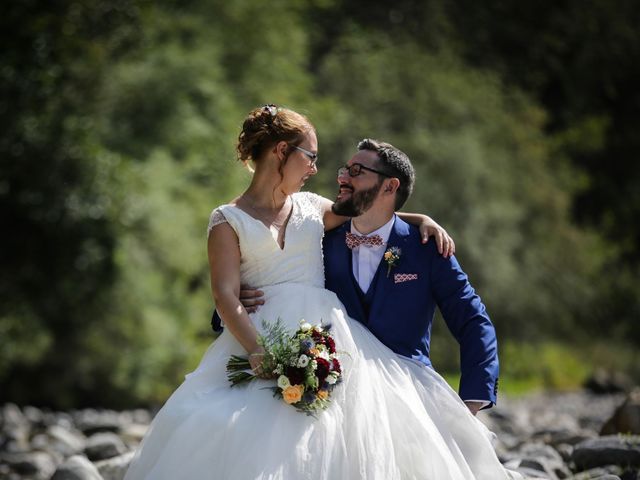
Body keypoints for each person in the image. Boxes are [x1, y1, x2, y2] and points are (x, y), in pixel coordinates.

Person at [125, 105, 517, 479]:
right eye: (318, 159)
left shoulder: (418, 245)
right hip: (279, 341)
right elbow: (233, 290)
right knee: (247, 433)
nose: (332, 173)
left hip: (389, 370)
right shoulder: (306, 232)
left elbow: (471, 320)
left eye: (355, 170)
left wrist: (419, 219)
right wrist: (246, 327)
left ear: (389, 186)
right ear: (282, 152)